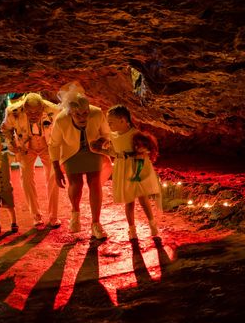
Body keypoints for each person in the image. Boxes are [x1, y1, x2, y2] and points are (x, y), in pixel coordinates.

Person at [49, 92, 111, 239]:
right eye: (78, 115)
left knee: (94, 184)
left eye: (85, 113)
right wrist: (57, 169)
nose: (83, 118)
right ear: (70, 113)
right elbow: (54, 144)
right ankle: (75, 213)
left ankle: (96, 223)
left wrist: (101, 141)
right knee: (76, 184)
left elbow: (106, 133)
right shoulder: (61, 120)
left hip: (93, 149)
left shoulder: (96, 113)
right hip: (71, 153)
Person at [0, 93, 61, 227]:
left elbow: (62, 128)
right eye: (29, 112)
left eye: (37, 111)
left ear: (43, 107)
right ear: (24, 107)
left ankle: (53, 216)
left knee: (53, 178)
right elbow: (6, 129)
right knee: (26, 179)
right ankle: (36, 216)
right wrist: (12, 144)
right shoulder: (12, 111)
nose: (33, 115)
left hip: (48, 145)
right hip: (25, 147)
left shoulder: (55, 110)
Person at [104, 104, 161, 241]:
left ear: (123, 120)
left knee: (143, 198)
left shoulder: (135, 135)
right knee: (128, 200)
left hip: (135, 169)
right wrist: (104, 149)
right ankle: (132, 229)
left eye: (111, 122)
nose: (109, 125)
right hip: (122, 169)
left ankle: (152, 223)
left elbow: (142, 156)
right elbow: (115, 152)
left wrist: (138, 174)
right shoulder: (113, 136)